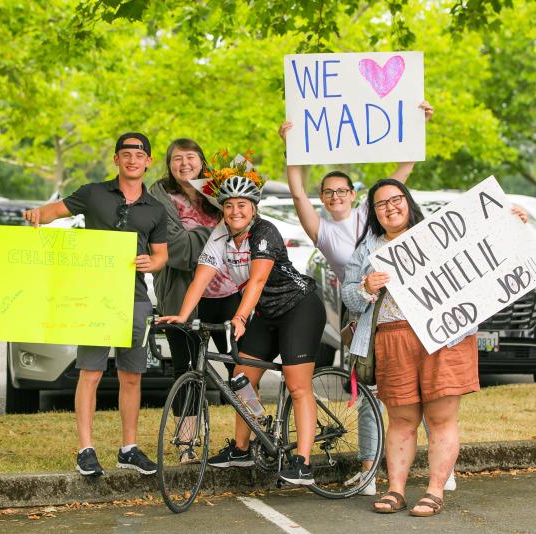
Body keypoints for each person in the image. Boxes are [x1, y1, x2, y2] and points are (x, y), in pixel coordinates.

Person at [341, 179, 528, 516]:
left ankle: (434, 491)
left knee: (441, 418)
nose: (390, 207)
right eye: (381, 204)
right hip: (392, 338)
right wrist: (366, 287)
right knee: (400, 418)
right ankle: (395, 490)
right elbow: (349, 297)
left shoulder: (439, 234)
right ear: (374, 213)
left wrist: (510, 221)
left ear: (408, 202)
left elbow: (489, 246)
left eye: (396, 199)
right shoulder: (367, 250)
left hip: (443, 337)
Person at [278, 101, 434, 496]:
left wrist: (418, 126)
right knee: (368, 392)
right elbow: (296, 193)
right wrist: (291, 150)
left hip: (401, 307)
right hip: (359, 307)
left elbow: (401, 175)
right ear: (323, 196)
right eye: (327, 192)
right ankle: (368, 470)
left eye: (340, 191)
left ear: (352, 193)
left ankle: (438, 468)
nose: (334, 197)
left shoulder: (371, 212)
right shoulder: (322, 230)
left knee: (424, 388)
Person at [159, 166, 326, 485]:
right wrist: (182, 315)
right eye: (229, 205)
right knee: (240, 378)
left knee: (296, 383)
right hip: (265, 314)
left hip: (299, 307)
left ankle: (303, 463)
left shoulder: (265, 232)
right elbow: (201, 278)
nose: (235, 211)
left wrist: (239, 317)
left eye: (242, 205)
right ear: (222, 208)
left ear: (254, 208)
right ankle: (241, 448)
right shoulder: (220, 235)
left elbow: (258, 279)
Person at [23, 132, 168, 477]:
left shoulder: (156, 210)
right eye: (125, 154)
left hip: (134, 300)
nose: (132, 159)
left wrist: (153, 262)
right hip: (94, 298)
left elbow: (161, 255)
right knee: (90, 372)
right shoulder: (93, 193)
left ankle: (128, 449)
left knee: (132, 376)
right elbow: (54, 211)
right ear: (116, 160)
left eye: (139, 154)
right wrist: (36, 214)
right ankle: (85, 450)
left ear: (148, 162)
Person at [149, 139, 240, 390]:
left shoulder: (221, 188)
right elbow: (178, 249)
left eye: (191, 157)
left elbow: (247, 225)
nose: (185, 163)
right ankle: (185, 430)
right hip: (181, 294)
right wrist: (221, 230)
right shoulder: (160, 196)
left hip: (227, 293)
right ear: (169, 165)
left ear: (202, 161)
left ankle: (250, 427)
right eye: (177, 158)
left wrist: (228, 226)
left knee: (241, 367)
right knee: (185, 369)